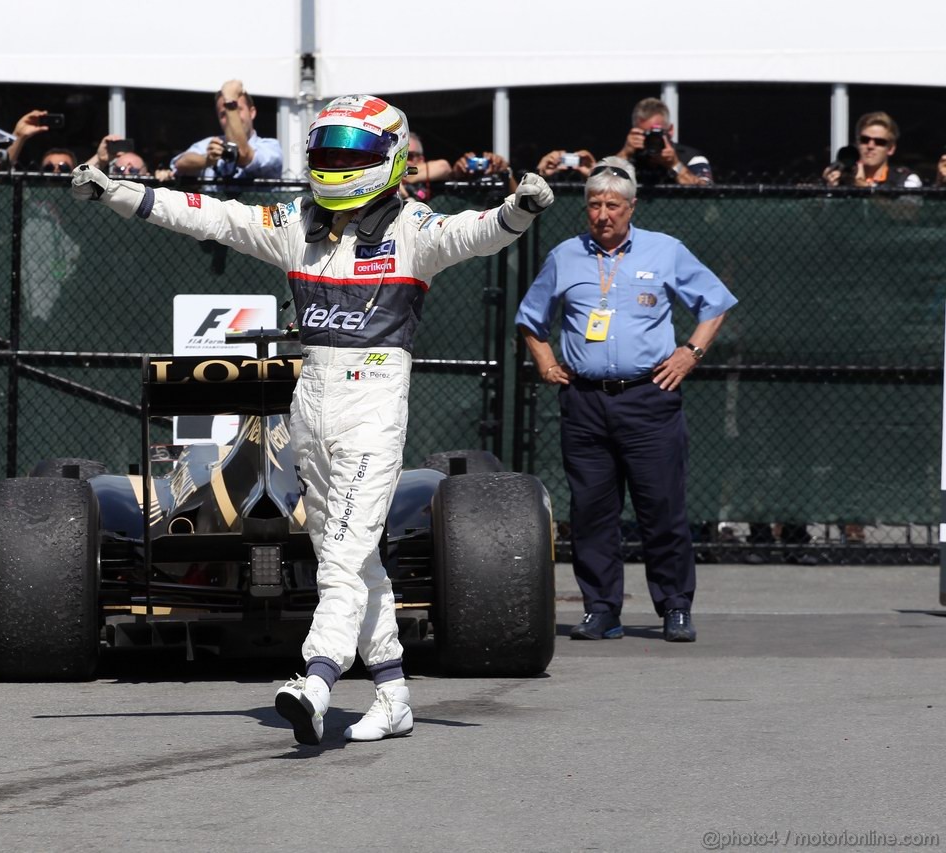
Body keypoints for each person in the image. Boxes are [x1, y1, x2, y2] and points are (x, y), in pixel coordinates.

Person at [72, 94, 553, 742]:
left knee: (340, 561)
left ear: (386, 158)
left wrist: (518, 209)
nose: (332, 164)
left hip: (373, 410)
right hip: (311, 408)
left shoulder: (413, 229)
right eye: (324, 152)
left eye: (347, 154)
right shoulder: (296, 223)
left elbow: (476, 232)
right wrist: (119, 194)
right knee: (354, 561)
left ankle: (316, 681)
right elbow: (210, 216)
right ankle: (392, 692)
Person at [515, 156, 736, 643]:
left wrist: (690, 353)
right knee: (592, 511)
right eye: (594, 205)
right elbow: (531, 318)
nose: (603, 214)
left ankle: (675, 606)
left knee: (662, 507)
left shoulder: (665, 251)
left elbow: (714, 304)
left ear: (632, 207)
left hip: (649, 397)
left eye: (613, 205)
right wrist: (546, 362)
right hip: (586, 402)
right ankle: (601, 608)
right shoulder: (565, 256)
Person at [169, 79, 282, 180]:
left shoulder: (270, 147)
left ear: (252, 112)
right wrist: (207, 160)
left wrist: (230, 102)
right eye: (223, 114)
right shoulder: (214, 143)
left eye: (237, 110)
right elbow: (179, 164)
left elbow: (242, 154)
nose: (230, 117)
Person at [613, 97, 712, 186]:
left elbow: (706, 192)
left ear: (670, 130)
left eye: (656, 134)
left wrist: (674, 165)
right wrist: (625, 154)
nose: (652, 140)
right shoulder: (629, 160)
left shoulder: (692, 158)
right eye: (645, 135)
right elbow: (599, 184)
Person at [822, 112, 922, 189]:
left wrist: (866, 189)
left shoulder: (905, 179)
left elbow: (906, 213)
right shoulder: (845, 178)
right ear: (857, 143)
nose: (870, 146)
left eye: (879, 142)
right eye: (864, 140)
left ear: (891, 149)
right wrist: (831, 189)